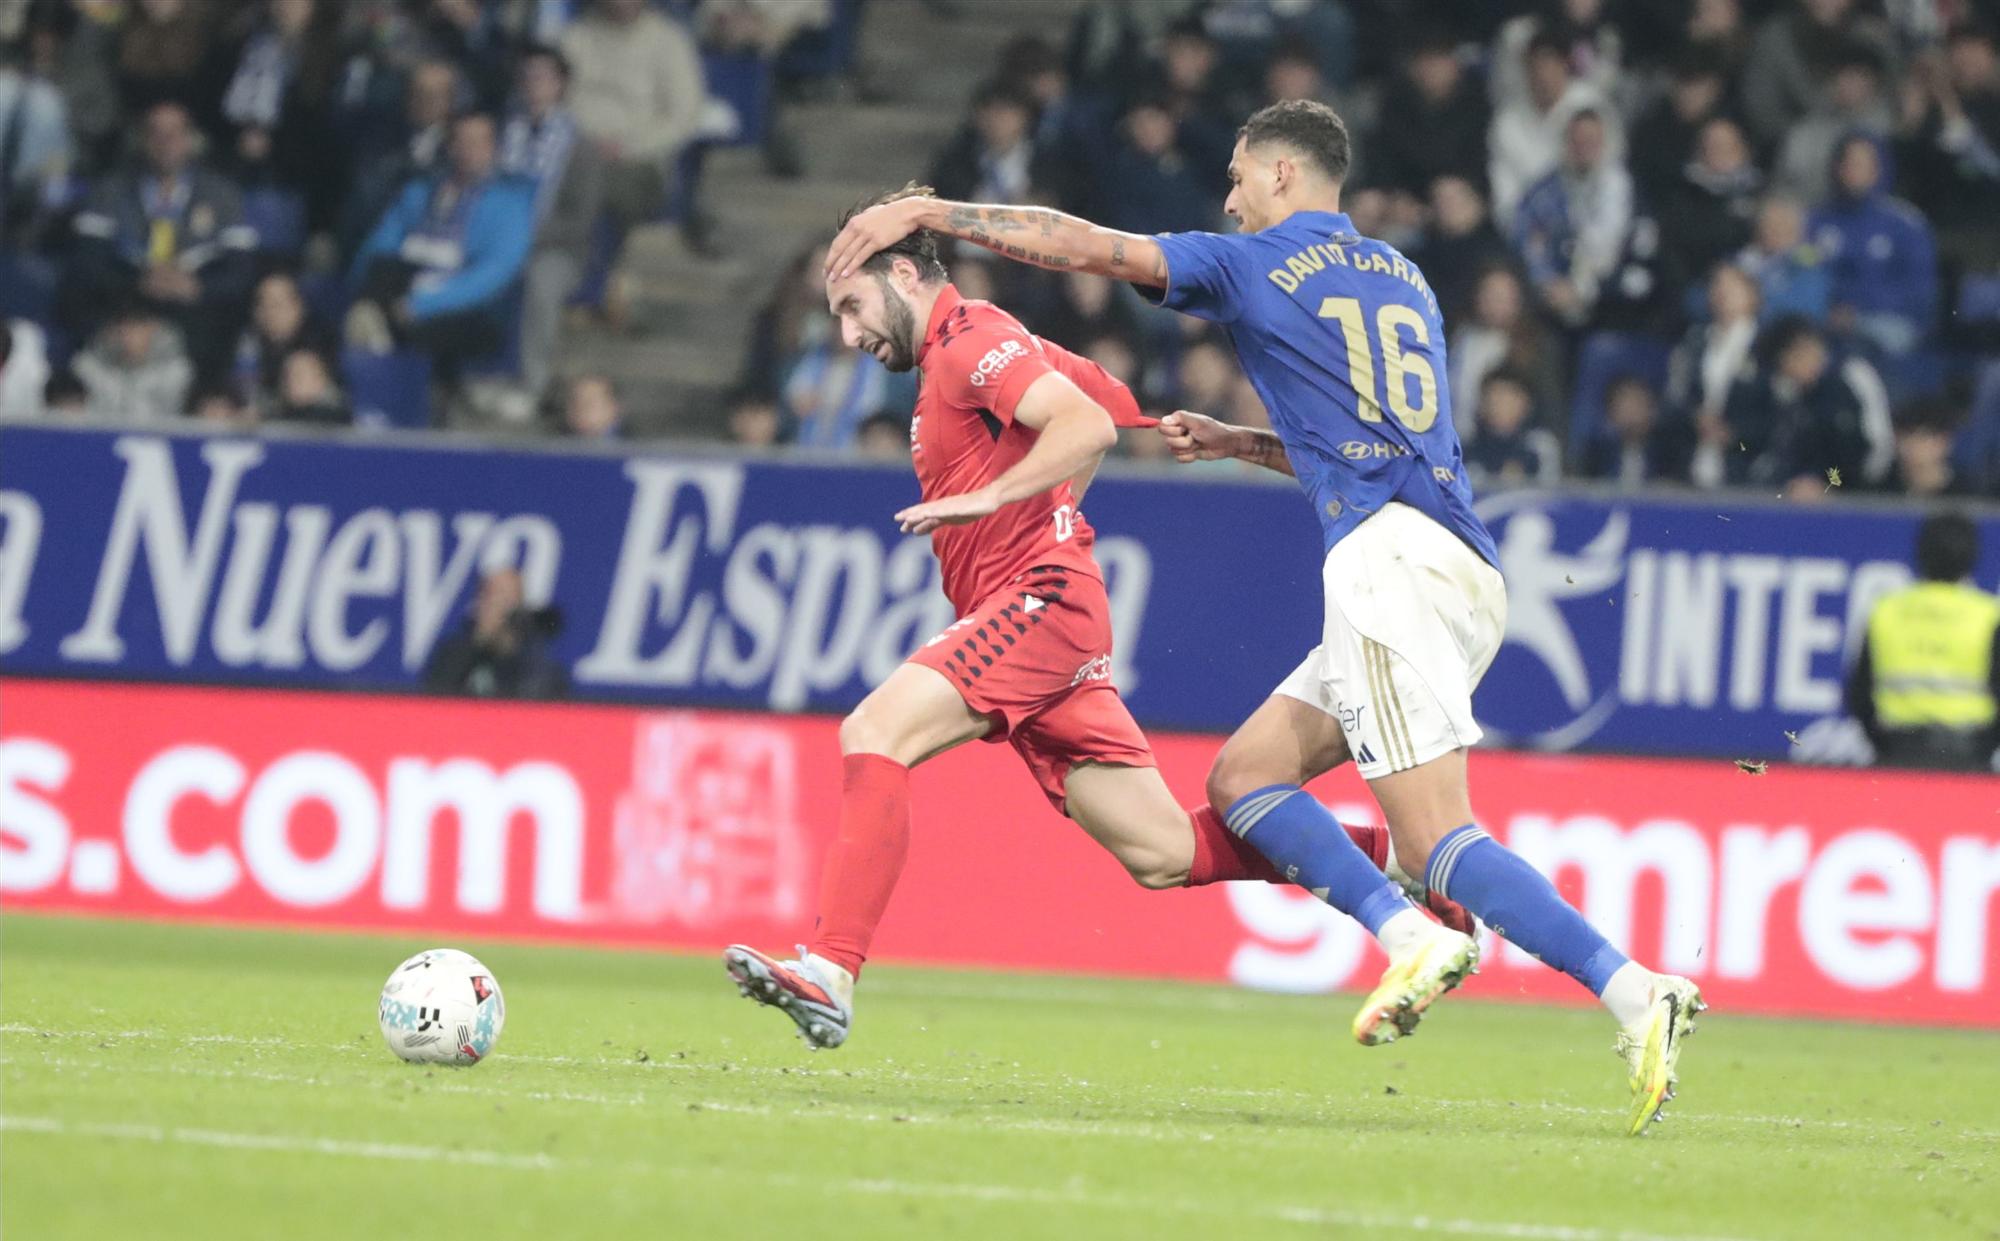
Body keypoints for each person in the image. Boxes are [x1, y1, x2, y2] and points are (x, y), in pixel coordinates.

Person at [828, 99, 1704, 1135]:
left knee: (1436, 841)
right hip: (1459, 557)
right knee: (1241, 779)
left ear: (1285, 177)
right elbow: (1380, 443)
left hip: (1385, 566)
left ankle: (1622, 985)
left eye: (1240, 176)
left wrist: (935, 208)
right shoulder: (1403, 278)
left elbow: (1081, 248)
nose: (1230, 196)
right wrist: (1243, 443)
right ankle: (1413, 922)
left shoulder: (1250, 265)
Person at [726, 185, 1463, 1053]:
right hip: (1046, 612)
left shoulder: (971, 342)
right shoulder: (982, 346)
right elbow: (1108, 398)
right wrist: (1062, 497)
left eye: (851, 306)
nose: (849, 335)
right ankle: (1404, 860)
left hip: (1038, 605)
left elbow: (1085, 426)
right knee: (1165, 853)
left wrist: (1000, 502)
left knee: (874, 732)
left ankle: (831, 970)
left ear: (902, 270)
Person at [70, 101, 257, 378]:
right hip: (123, 309)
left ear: (191, 139)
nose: (165, 143)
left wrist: (197, 287)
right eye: (156, 133)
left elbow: (241, 272)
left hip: (197, 320)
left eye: (175, 134)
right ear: (143, 140)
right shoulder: (109, 191)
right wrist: (137, 282)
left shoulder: (223, 196)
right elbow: (87, 262)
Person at [347, 111, 535, 382]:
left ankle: (378, 354)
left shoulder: (509, 205)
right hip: (399, 283)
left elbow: (493, 273)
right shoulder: (421, 191)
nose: (468, 151)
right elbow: (382, 243)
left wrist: (422, 304)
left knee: (408, 328)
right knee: (380, 275)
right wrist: (362, 282)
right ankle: (370, 331)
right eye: (461, 141)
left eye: (477, 143)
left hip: (458, 303)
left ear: (493, 148)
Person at [1845, 512, 2000, 770]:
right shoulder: (1987, 616)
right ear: (1971, 558)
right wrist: (1984, 750)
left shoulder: (1886, 611)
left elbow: (1859, 695)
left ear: (1920, 553)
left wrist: (1885, 747)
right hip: (1968, 757)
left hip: (1898, 754)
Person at [500, 44, 604, 403]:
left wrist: (526, 236)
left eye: (543, 77)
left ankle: (534, 382)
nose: (534, 84)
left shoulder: (581, 147)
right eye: (527, 76)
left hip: (557, 249)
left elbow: (580, 219)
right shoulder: (502, 137)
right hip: (498, 239)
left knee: (541, 282)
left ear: (561, 84)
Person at [423, 566, 569, 699]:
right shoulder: (453, 653)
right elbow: (434, 700)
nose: (496, 605)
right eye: (490, 595)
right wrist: (477, 643)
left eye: (505, 597)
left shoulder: (536, 660)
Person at [72, 300, 193, 421]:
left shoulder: (176, 371)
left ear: (153, 329)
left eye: (136, 328)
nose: (127, 337)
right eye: (121, 329)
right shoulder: (89, 368)